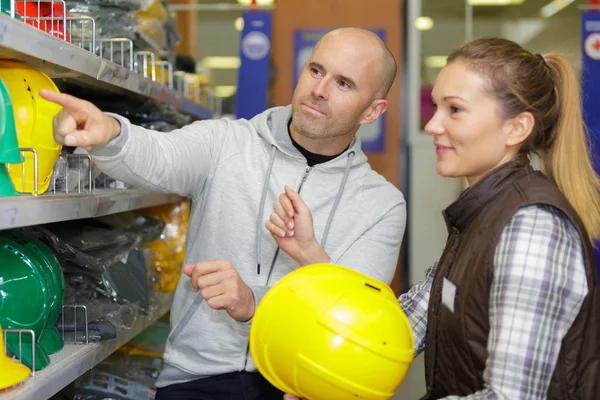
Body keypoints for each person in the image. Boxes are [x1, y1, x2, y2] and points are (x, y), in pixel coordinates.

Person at [41, 27, 407, 399]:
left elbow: (355, 323)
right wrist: (112, 132)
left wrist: (258, 300)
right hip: (197, 380)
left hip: (305, 385)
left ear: (373, 111)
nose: (320, 89)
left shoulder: (381, 205)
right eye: (316, 70)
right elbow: (161, 154)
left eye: (344, 84)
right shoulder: (228, 142)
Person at [280, 37, 599, 400]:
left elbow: (510, 396)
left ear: (516, 128)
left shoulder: (532, 227)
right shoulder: (480, 217)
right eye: (435, 107)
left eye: (455, 110)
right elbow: (397, 328)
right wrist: (326, 382)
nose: (432, 125)